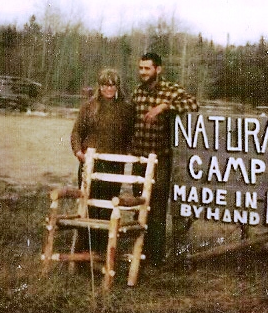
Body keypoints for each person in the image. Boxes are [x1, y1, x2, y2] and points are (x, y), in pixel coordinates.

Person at [130, 52, 199, 267]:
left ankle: (155, 256)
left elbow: (193, 105)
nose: (143, 72)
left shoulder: (171, 90)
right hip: (139, 159)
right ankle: (140, 250)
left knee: (158, 206)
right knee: (140, 204)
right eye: (141, 68)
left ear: (158, 69)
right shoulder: (137, 92)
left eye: (147, 68)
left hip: (161, 159)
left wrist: (165, 106)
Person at [70, 68, 135, 250]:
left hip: (114, 165)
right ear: (100, 86)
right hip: (90, 164)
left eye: (112, 85)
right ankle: (84, 249)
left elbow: (130, 136)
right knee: (88, 205)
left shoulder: (126, 109)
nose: (109, 88)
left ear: (117, 86)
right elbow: (76, 132)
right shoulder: (89, 107)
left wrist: (129, 152)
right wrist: (78, 152)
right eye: (105, 85)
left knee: (107, 207)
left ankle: (103, 249)